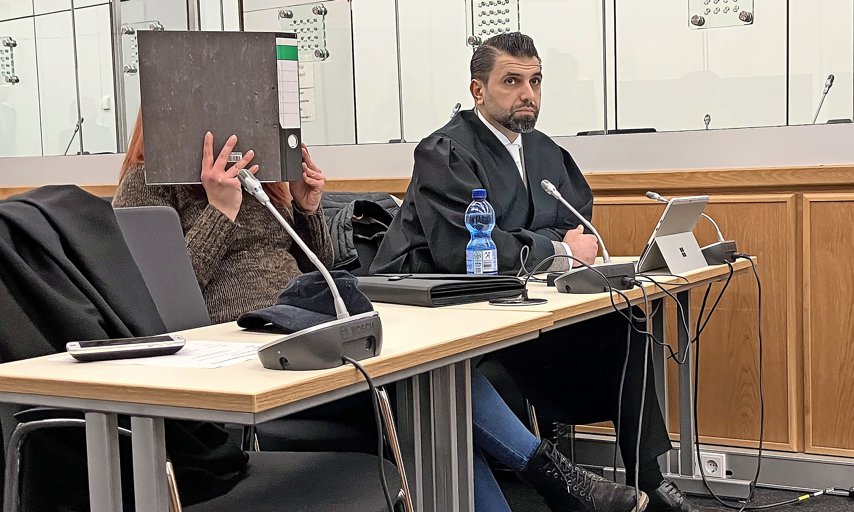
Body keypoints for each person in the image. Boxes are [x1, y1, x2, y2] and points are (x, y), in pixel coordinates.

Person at [112, 111, 646, 512]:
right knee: (433, 398)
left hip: (308, 330)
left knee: (436, 392)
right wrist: (218, 211)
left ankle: (557, 481)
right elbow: (154, 294)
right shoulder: (146, 182)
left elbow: (318, 268)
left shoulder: (258, 179)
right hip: (242, 358)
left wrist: (306, 209)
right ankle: (557, 480)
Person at [369, 32, 708, 512]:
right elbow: (468, 249)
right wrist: (553, 246)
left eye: (535, 81)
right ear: (478, 90)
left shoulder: (544, 150)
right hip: (438, 312)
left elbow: (574, 223)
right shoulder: (445, 151)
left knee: (624, 325)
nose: (528, 93)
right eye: (511, 81)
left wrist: (530, 242)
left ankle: (646, 478)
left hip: (513, 304)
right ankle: (562, 482)